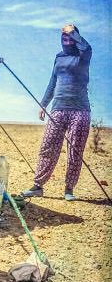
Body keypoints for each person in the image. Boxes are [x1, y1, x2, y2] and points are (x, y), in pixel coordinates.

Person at [22, 24, 92, 201]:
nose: (66, 39)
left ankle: (69, 189)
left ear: (76, 36)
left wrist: (72, 32)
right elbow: (52, 82)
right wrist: (43, 104)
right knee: (48, 146)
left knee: (74, 151)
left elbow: (86, 47)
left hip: (80, 110)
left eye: (69, 36)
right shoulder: (59, 57)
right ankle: (38, 185)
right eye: (64, 37)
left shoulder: (83, 56)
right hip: (58, 108)